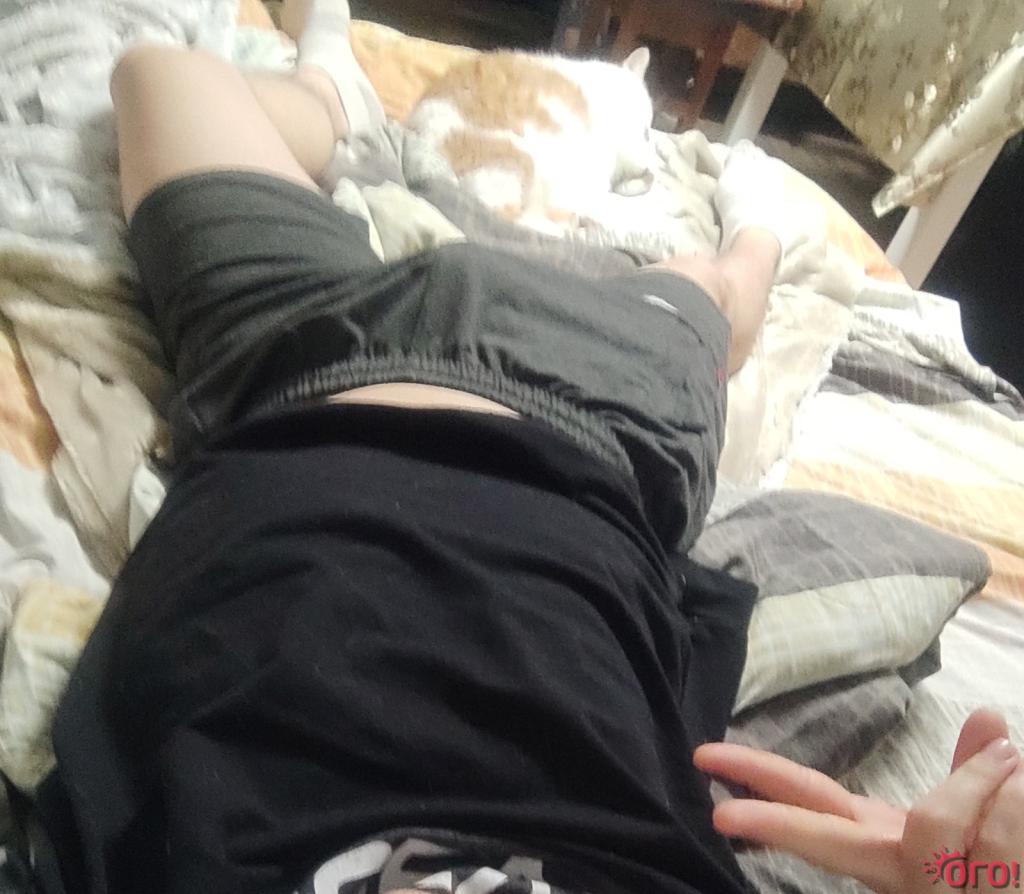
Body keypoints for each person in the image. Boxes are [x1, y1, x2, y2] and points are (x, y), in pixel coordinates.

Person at [30, 2, 1022, 893]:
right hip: (593, 413)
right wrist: (953, 878)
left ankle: (328, 92)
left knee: (160, 76)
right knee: (710, 297)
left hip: (293, 378)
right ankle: (755, 227)